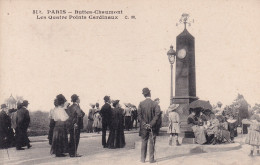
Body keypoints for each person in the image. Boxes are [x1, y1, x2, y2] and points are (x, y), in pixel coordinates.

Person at [138, 87, 161, 163]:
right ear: (150, 94)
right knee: (152, 142)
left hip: (143, 127)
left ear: (144, 95)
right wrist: (151, 124)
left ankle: (142, 159)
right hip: (152, 127)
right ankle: (151, 159)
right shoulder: (155, 104)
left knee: (144, 142)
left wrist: (144, 124)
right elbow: (157, 115)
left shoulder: (141, 104)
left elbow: (139, 116)